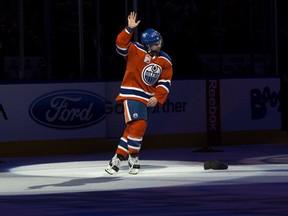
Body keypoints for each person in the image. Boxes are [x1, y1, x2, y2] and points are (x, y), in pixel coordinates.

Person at [105, 11, 173, 175]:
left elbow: (165, 82)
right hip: (132, 93)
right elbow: (120, 44)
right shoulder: (135, 50)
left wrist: (157, 98)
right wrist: (129, 28)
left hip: (149, 98)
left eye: (159, 41)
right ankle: (133, 157)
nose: (159, 44)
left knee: (131, 130)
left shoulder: (165, 60)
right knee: (140, 124)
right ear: (148, 45)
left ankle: (117, 159)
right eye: (156, 43)